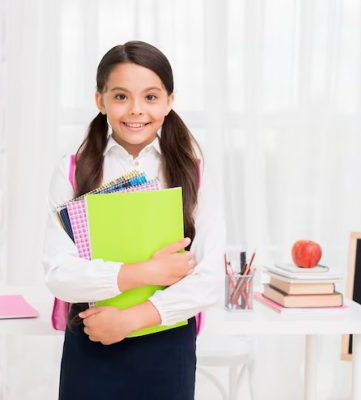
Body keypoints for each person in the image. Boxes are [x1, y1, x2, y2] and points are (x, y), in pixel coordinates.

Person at [43, 40, 225, 400]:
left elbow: (209, 279)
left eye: (151, 97)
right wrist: (146, 273)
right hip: (93, 337)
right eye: (121, 96)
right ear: (101, 101)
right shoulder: (73, 168)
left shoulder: (194, 171)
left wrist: (131, 318)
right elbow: (59, 274)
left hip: (167, 342)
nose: (136, 110)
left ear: (170, 101)